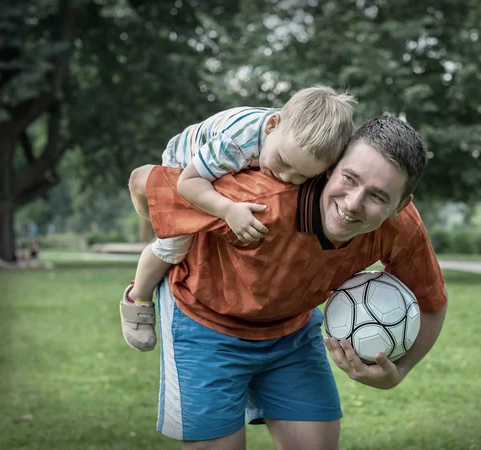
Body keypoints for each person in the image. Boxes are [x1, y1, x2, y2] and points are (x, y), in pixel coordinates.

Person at [128, 115, 448, 450]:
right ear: (330, 168)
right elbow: (141, 181)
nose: (353, 203)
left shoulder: (401, 229)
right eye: (349, 178)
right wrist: (171, 235)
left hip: (291, 332)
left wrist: (398, 372)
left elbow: (432, 304)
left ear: (401, 206)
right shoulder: (259, 197)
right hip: (205, 324)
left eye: (378, 197)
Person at [120, 85, 356, 351]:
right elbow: (189, 182)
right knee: (173, 247)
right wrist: (227, 210)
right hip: (185, 163)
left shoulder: (288, 142)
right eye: (283, 162)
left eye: (302, 176)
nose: (287, 177)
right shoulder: (237, 143)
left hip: (221, 165)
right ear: (272, 126)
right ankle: (137, 296)